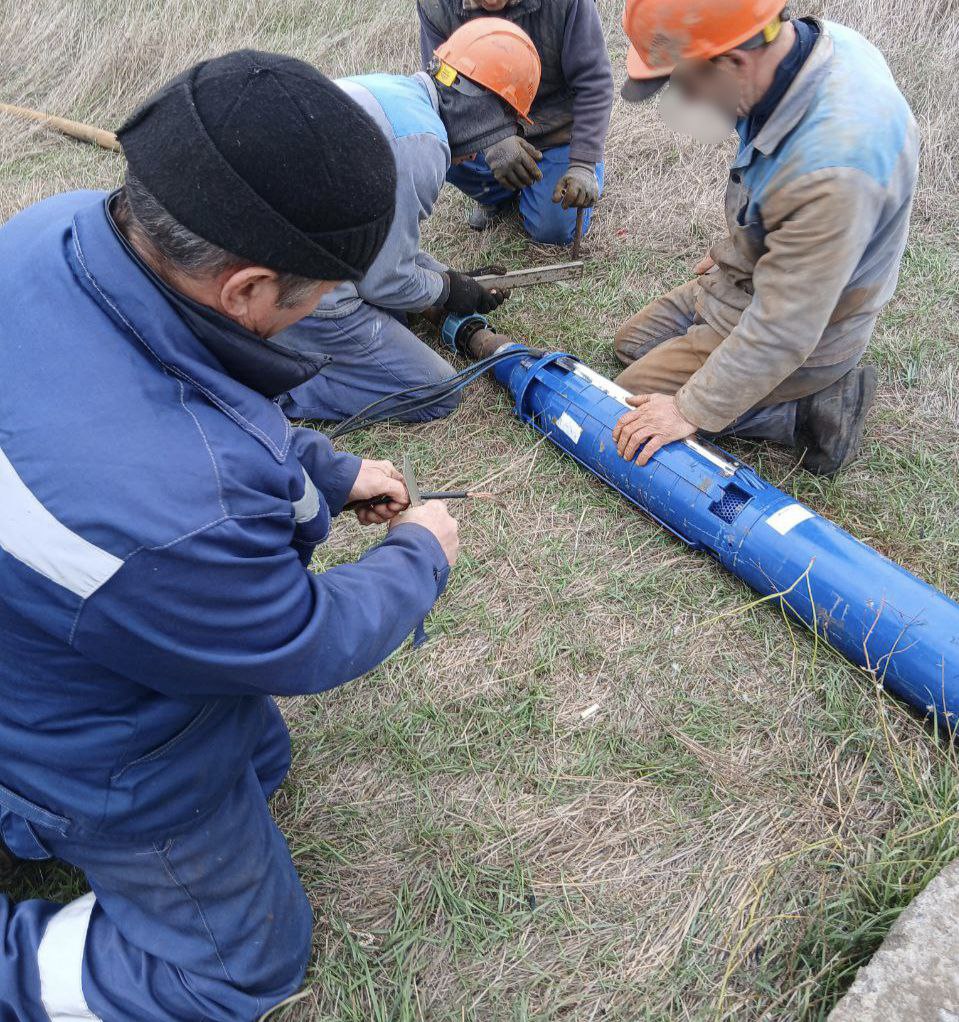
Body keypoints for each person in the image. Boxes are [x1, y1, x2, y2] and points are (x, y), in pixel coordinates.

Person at [0, 51, 459, 1021]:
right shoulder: (180, 507)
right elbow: (295, 637)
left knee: (260, 763)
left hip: (35, 635)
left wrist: (331, 470)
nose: (326, 308)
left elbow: (190, 398)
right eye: (319, 292)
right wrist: (421, 551)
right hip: (87, 740)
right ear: (248, 288)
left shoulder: (55, 234)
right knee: (238, 969)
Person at [612, 0, 918, 476]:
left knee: (631, 397)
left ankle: (808, 411)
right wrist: (748, 245)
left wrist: (688, 411)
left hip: (808, 328)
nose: (688, 100)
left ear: (732, 62)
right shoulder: (800, 56)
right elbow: (782, 197)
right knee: (631, 344)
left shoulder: (832, 170)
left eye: (686, 84)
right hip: (755, 277)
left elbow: (783, 330)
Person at [277, 18, 541, 423]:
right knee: (436, 390)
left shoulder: (393, 92)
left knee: (398, 311)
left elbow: (379, 245)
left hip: (273, 256)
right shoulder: (423, 143)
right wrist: (449, 290)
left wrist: (446, 275)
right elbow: (383, 280)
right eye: (498, 129)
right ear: (482, 107)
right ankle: (273, 385)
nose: (478, 154)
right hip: (298, 291)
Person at [417, 0, 613, 245]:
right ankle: (498, 194)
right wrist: (492, 140)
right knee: (435, 146)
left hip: (554, 130)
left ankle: (559, 178)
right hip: (483, 127)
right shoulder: (436, 5)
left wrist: (583, 164)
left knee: (553, 232)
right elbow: (443, 88)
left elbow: (593, 83)